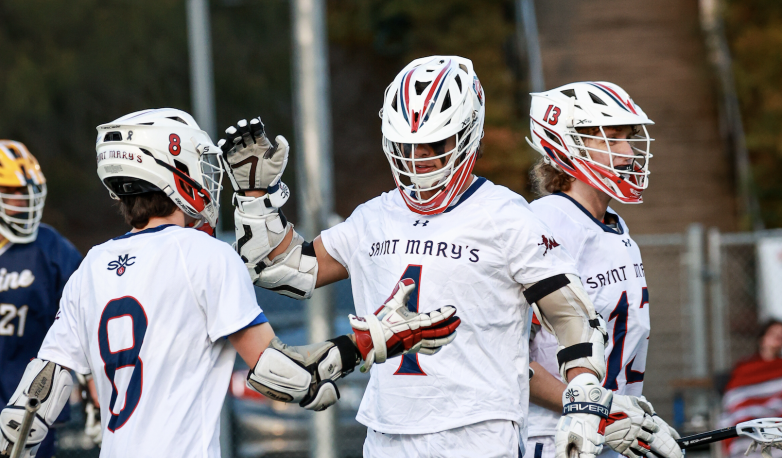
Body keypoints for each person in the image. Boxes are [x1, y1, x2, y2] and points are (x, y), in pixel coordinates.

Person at [0, 108, 460, 458]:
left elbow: (28, 411)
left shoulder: (91, 266)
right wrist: (372, 341)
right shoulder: (205, 255)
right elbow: (288, 380)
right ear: (171, 170)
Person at [219, 56, 616, 458]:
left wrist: (583, 398)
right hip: (387, 432)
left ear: (467, 134)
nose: (419, 156)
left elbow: (572, 315)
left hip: (478, 432)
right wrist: (254, 199)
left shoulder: (505, 214)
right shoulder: (374, 216)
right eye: (407, 145)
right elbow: (283, 271)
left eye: (435, 143)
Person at [523, 82, 683, 458]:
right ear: (567, 147)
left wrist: (625, 415)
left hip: (610, 435)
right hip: (555, 439)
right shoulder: (543, 226)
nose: (628, 153)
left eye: (628, 138)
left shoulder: (614, 225)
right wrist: (596, 411)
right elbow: (511, 360)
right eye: (611, 140)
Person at [0, 140, 82, 458]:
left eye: (25, 190)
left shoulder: (51, 247)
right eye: (10, 190)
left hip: (35, 413)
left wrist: (93, 394)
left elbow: (86, 320)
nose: (21, 198)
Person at [720, 320, 782, 458]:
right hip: (749, 424)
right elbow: (735, 399)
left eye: (781, 334)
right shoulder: (745, 369)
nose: (778, 337)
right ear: (762, 338)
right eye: (774, 334)